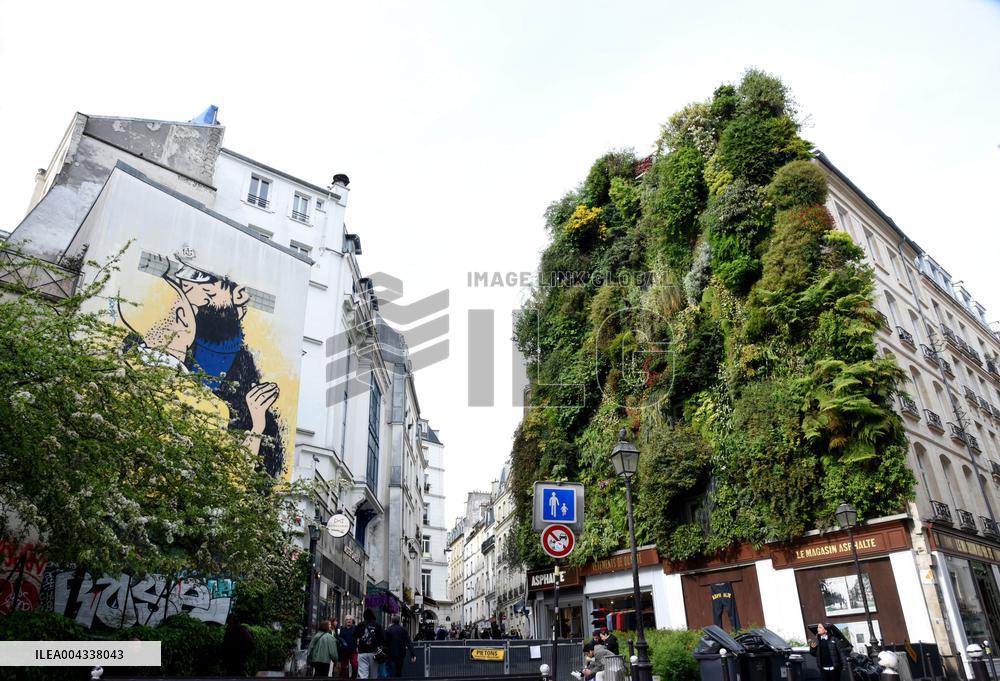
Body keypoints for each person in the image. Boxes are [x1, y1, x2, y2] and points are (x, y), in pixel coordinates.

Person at [357, 608, 385, 679]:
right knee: (373, 675)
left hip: (362, 653)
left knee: (363, 675)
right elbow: (382, 638)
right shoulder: (377, 625)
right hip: (374, 653)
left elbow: (355, 635)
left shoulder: (360, 624)